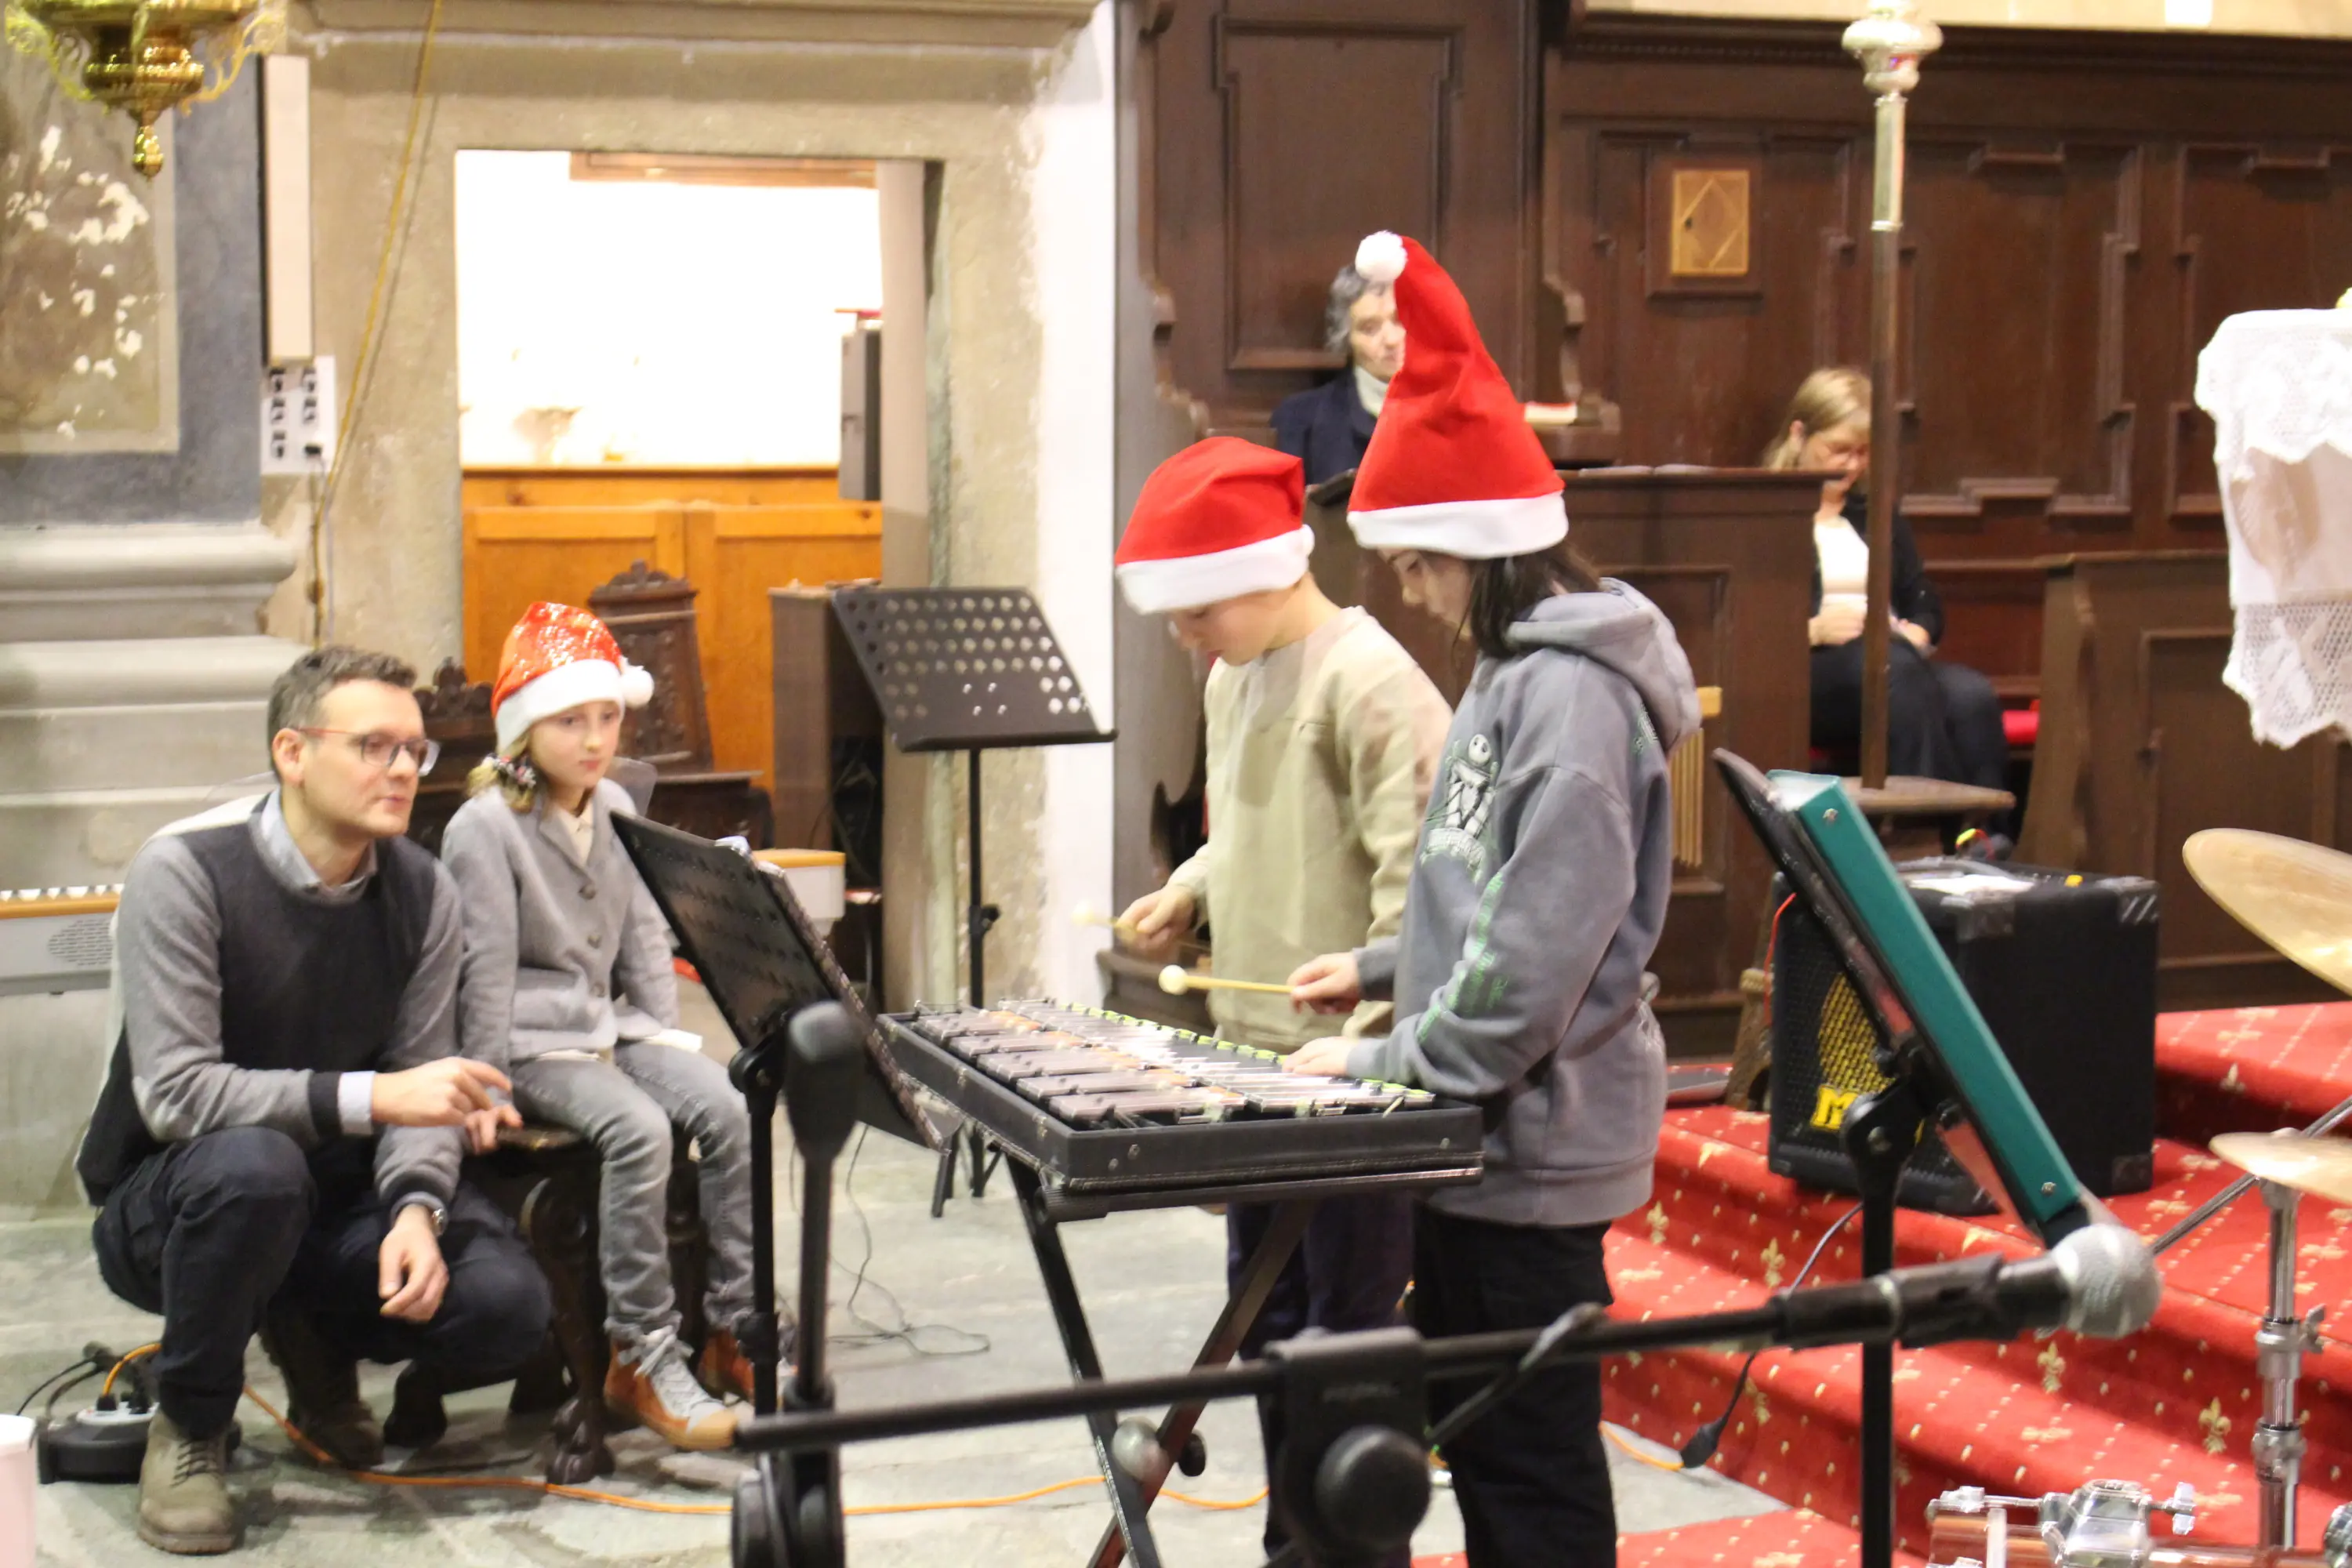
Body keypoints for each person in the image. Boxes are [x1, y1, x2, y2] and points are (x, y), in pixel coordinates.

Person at [1284, 231, 1697, 1568]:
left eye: (1414, 562)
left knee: (1530, 1478)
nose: (1404, 590)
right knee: (1487, 1448)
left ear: (1479, 547)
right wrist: (1380, 964)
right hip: (1475, 1136)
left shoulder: (1570, 701)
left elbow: (1529, 978)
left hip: (1531, 1142)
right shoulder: (1515, 673)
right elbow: (1477, 892)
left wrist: (1375, 1065)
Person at [76, 645, 552, 1556]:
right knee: (258, 1169)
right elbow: (178, 1094)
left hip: (337, 1196)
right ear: (293, 752)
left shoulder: (421, 888)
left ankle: (308, 1333)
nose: (405, 769)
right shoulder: (184, 871)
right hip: (175, 1199)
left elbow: (427, 1083)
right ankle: (192, 1423)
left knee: (504, 1304)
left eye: (416, 750)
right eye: (376, 745)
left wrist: (416, 1206)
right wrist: (375, 1096)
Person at [1112, 436, 1450, 1568]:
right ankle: (1290, 1545)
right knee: (1262, 1327)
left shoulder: (1373, 681)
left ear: (1263, 574)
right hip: (1255, 1065)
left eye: (1195, 611)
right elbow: (1245, 833)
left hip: (1351, 1085)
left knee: (1344, 1348)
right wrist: (1189, 891)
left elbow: (1424, 902)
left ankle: (1348, 1555)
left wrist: (1369, 1052)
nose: (1183, 636)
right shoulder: (1231, 675)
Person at [440, 602, 764, 1453]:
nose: (594, 738)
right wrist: (479, 1080)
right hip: (527, 1037)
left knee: (732, 1107)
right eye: (569, 720)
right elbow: (481, 967)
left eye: (608, 716)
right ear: (522, 728)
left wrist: (660, 1041)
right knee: (640, 1127)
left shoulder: (614, 800)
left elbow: (645, 936)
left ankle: (734, 1324)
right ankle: (641, 1349)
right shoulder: (484, 827)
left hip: (610, 1027)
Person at [1767, 366, 2009, 800]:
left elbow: (1923, 600)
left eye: (1863, 453)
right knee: (1893, 674)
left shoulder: (1875, 511)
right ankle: (1929, 836)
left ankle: (1987, 839)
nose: (1853, 464)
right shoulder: (1764, 513)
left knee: (1972, 696)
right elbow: (1745, 624)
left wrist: (1918, 630)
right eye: (1839, 449)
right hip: (1812, 670)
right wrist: (1814, 629)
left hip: (1894, 659)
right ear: (1799, 435)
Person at [1270, 260, 1407, 485]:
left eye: (1400, 320)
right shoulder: (1300, 421)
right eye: (1369, 329)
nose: (1392, 340)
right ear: (1347, 340)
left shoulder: (1461, 412)